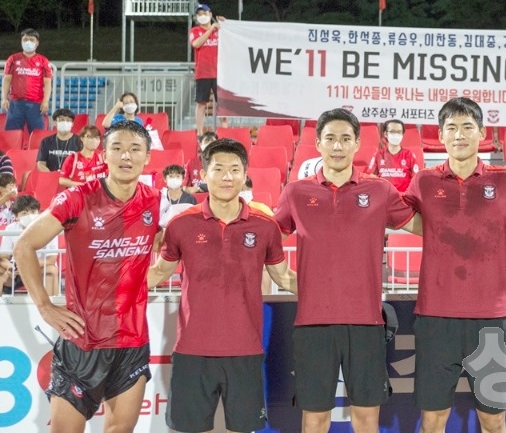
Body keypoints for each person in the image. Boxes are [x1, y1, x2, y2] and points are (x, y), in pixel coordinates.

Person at [273, 108, 420, 433]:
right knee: (315, 421)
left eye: (344, 139)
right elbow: (268, 240)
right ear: (318, 143)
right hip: (313, 324)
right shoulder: (296, 192)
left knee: (366, 420)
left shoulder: (380, 190)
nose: (337, 146)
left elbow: (425, 227)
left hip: (366, 323)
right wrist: (283, 277)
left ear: (356, 144)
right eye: (330, 139)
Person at [13, 120, 160, 432]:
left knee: (120, 429)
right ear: (104, 154)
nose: (126, 156)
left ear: (147, 156)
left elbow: (170, 245)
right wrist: (44, 306)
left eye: (135, 149)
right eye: (117, 148)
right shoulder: (76, 198)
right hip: (82, 341)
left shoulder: (154, 201)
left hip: (132, 342)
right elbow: (24, 245)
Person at [148, 138, 296, 433]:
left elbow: (284, 277)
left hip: (245, 350)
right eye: (218, 169)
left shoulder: (265, 225)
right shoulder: (181, 224)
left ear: (244, 175)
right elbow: (159, 271)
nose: (227, 176)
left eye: (235, 169)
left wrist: (332, 295)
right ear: (204, 175)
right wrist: (111, 289)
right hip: (192, 349)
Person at [402, 97, 506, 432]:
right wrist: (439, 229)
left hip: (491, 320)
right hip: (435, 319)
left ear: (482, 133)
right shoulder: (423, 181)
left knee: (494, 420)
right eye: (452, 128)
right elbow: (397, 215)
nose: (460, 135)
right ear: (441, 135)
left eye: (468, 127)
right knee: (432, 420)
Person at [1, 195, 59, 296]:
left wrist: (25, 266)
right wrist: (10, 267)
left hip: (39, 267)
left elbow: (51, 260)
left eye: (33, 212)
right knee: (1, 270)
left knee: (51, 270)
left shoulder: (49, 228)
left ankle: (48, 304)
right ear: (16, 216)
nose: (29, 216)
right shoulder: (11, 229)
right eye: (24, 213)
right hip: (17, 270)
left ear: (38, 212)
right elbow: (3, 257)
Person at [2, 28, 52, 132]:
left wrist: (45, 101)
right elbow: (7, 80)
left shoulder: (43, 61)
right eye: (25, 39)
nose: (28, 42)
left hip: (36, 104)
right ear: (21, 41)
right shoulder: (13, 59)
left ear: (37, 43)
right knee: (12, 134)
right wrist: (4, 98)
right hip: (16, 103)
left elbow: (47, 83)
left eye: (31, 39)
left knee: (37, 135)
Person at [190, 4, 225, 136]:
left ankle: (224, 130)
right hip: (203, 73)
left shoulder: (219, 30)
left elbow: (231, 37)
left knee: (222, 104)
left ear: (210, 14)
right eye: (199, 14)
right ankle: (199, 133)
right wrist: (210, 29)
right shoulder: (194, 31)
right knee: (201, 103)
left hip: (220, 73)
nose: (202, 16)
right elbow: (196, 44)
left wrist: (225, 24)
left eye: (204, 13)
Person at [367, 119, 419, 192]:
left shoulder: (409, 155)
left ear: (402, 134)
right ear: (385, 134)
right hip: (383, 194)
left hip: (403, 196)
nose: (396, 135)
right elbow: (370, 176)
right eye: (392, 131)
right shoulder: (378, 155)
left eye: (399, 132)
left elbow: (416, 179)